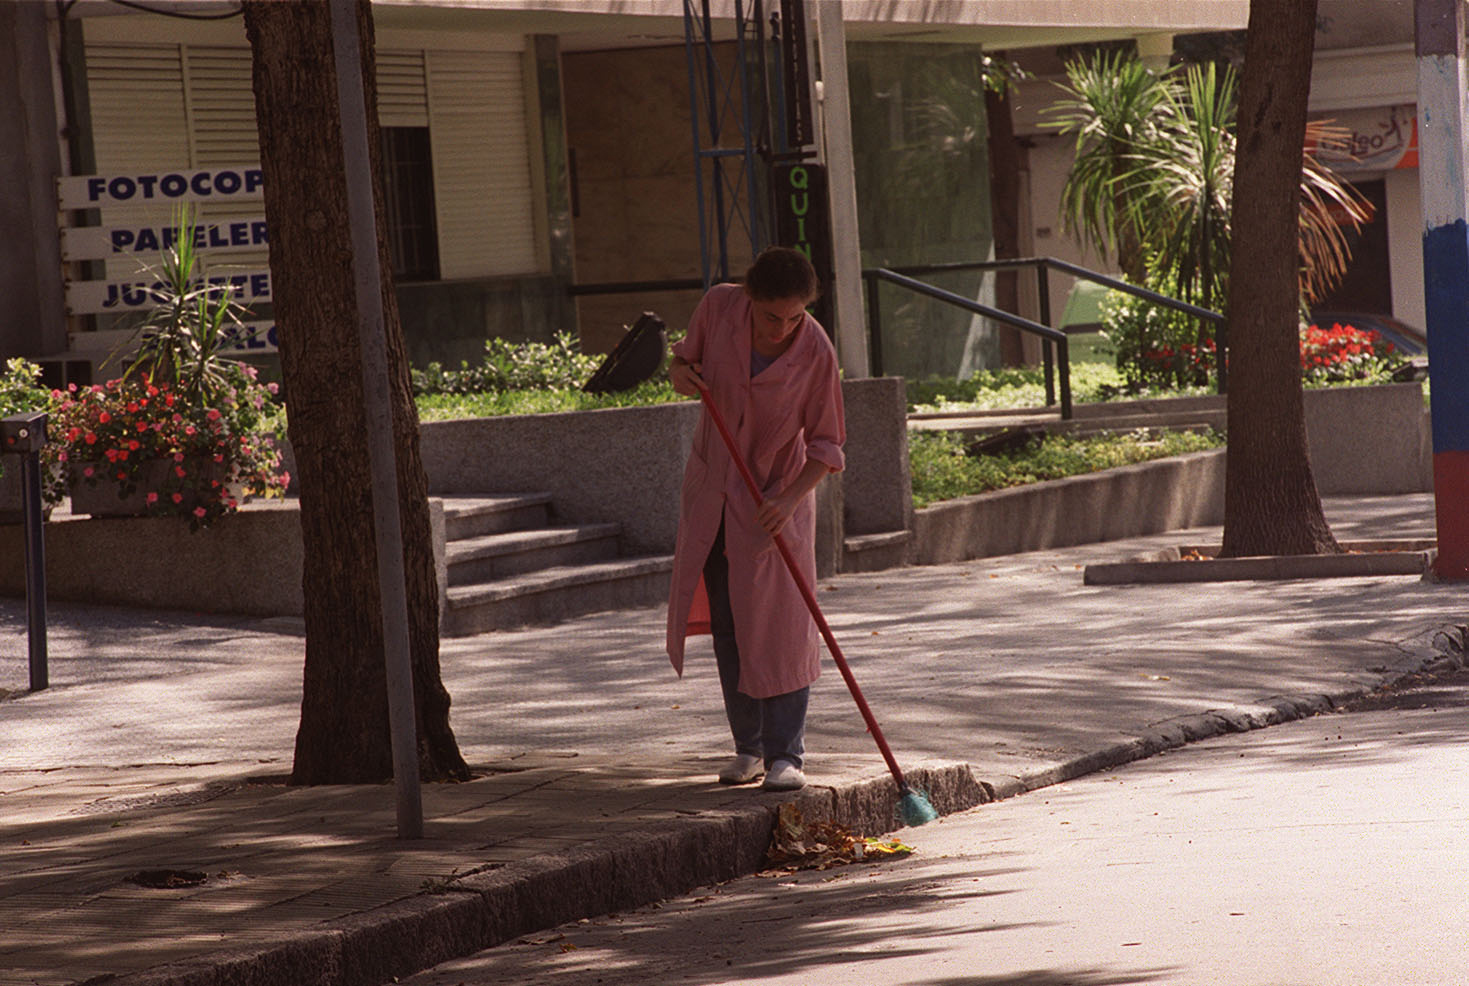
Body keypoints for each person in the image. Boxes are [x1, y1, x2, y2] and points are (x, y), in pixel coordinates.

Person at [665, 246, 846, 792]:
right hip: (714, 491)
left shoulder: (815, 350)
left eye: (795, 317)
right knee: (730, 623)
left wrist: (789, 499)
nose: (783, 329)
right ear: (749, 298)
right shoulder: (718, 308)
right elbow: (681, 364)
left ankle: (786, 753)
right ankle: (747, 746)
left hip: (774, 499)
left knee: (783, 626)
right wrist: (682, 376)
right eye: (773, 317)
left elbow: (827, 444)